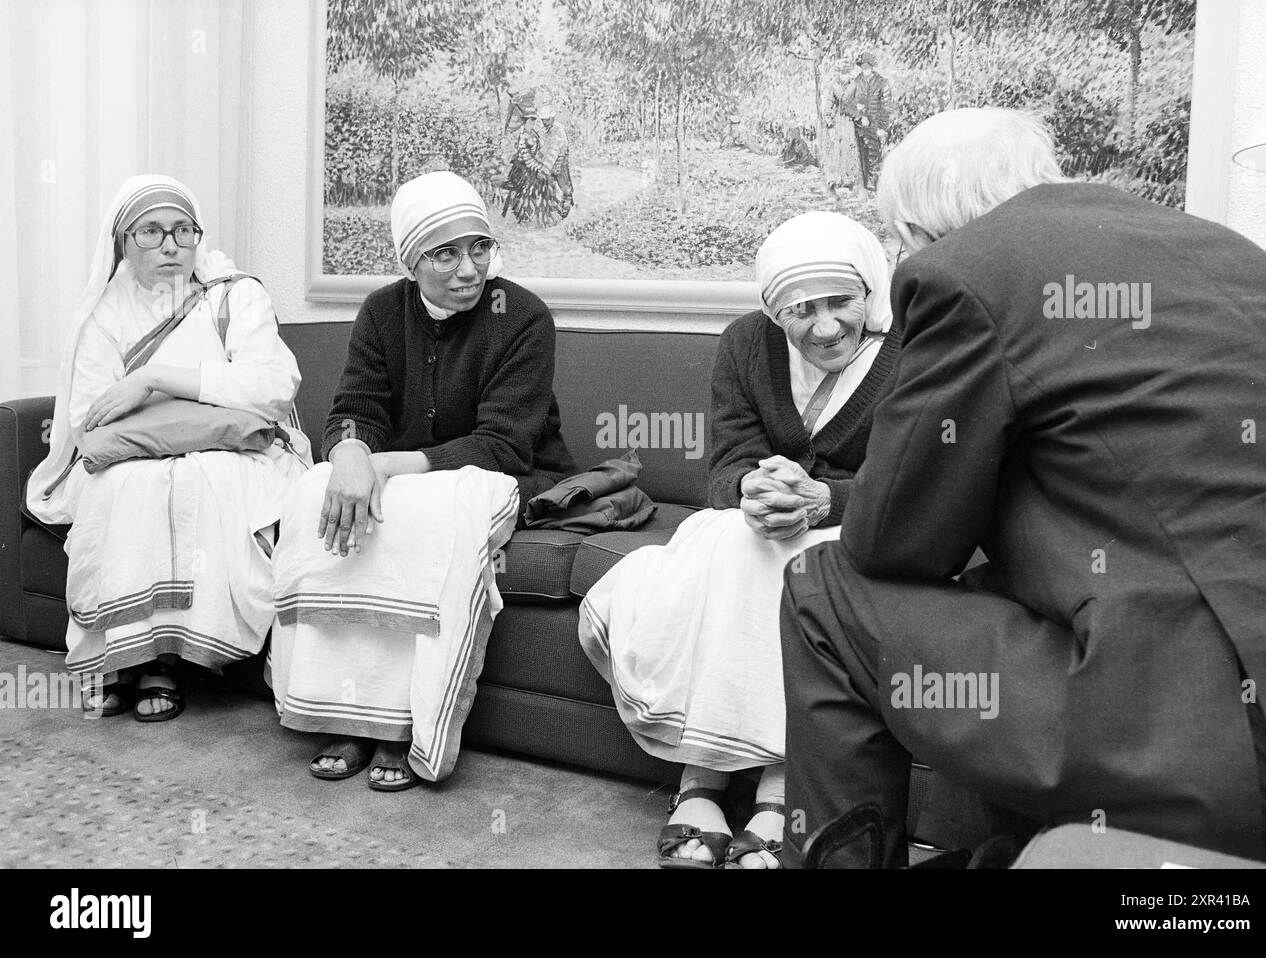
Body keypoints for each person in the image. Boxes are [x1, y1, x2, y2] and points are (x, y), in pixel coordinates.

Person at [780, 108, 1266, 868]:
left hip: (1211, 738)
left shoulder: (964, 268)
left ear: (923, 231)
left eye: (898, 239)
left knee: (823, 586)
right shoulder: (1229, 252)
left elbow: (892, 542)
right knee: (1009, 585)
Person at [580, 211, 900, 868]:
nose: (825, 326)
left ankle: (764, 789)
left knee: (793, 558)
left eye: (840, 302)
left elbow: (915, 483)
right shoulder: (745, 344)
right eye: (799, 310)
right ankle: (706, 782)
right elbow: (726, 464)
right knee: (732, 541)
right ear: (772, 311)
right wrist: (754, 488)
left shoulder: (908, 356)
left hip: (861, 527)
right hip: (758, 525)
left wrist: (824, 498)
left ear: (869, 291)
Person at [272, 171, 576, 791]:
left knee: (419, 517)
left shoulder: (521, 316)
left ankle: (404, 722)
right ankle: (345, 706)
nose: (469, 268)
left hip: (503, 475)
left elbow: (501, 443)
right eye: (445, 253)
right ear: (410, 260)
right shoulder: (384, 310)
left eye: (480, 248)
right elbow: (354, 406)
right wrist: (352, 449)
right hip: (412, 477)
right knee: (311, 491)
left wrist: (381, 465)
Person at [25, 174, 309, 722]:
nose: (171, 245)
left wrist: (155, 380)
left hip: (238, 452)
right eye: (151, 232)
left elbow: (272, 387)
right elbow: (93, 415)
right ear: (123, 243)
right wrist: (200, 409)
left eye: (183, 230)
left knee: (206, 481)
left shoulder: (235, 294)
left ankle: (166, 661)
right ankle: (121, 656)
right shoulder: (103, 314)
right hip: (135, 453)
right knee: (124, 485)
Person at [836, 50, 892, 191]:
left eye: (867, 65)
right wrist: (859, 116)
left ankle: (873, 183)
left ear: (872, 66)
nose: (865, 68)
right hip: (859, 125)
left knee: (874, 153)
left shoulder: (882, 82)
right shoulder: (855, 82)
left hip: (875, 124)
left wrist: (882, 127)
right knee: (861, 154)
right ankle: (863, 183)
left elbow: (886, 106)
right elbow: (846, 102)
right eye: (862, 65)